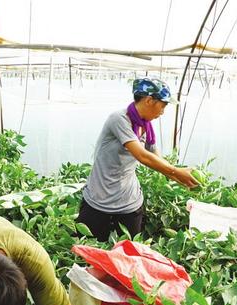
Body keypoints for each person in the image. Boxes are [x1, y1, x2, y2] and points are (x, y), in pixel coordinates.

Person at [78, 77, 199, 241]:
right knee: (88, 252)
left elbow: (156, 158)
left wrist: (181, 178)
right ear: (149, 100)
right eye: (163, 105)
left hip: (129, 202)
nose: (163, 111)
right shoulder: (119, 119)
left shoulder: (145, 126)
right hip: (99, 201)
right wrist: (176, 171)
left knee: (129, 255)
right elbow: (142, 156)